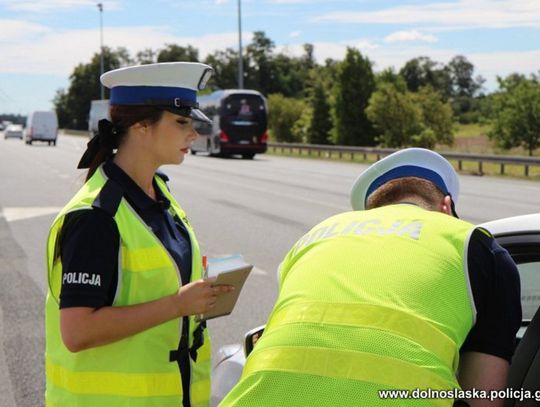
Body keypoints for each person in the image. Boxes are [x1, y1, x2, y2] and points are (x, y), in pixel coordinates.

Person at [220, 148, 521, 407]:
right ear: (446, 207)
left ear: (369, 211)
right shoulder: (474, 243)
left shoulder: (313, 238)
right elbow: (483, 395)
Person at [45, 62, 233, 407]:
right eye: (181, 122)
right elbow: (77, 331)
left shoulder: (160, 193)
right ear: (142, 125)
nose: (193, 134)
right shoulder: (96, 217)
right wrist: (178, 304)